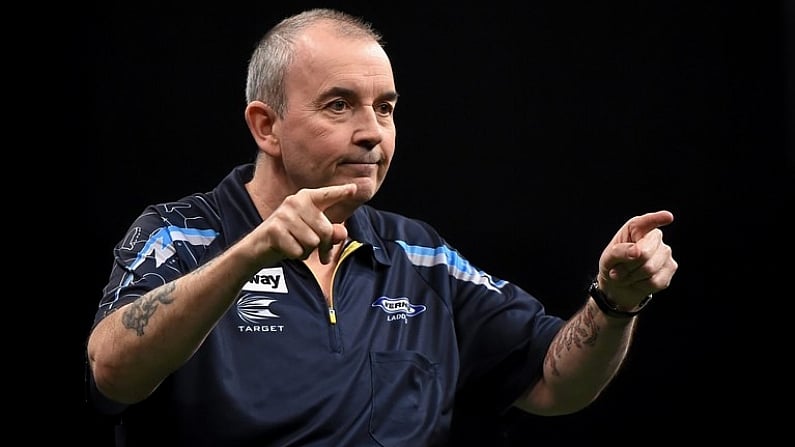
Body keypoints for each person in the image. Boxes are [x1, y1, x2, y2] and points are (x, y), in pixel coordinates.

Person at [86, 7, 678, 446]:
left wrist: (615, 302)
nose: (373, 132)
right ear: (266, 127)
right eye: (339, 105)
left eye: (386, 108)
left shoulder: (421, 255)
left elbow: (554, 382)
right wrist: (250, 253)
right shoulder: (181, 234)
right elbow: (111, 370)